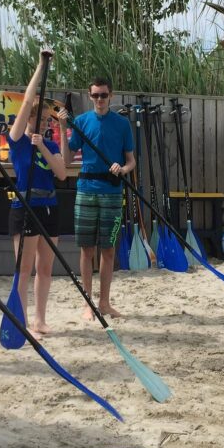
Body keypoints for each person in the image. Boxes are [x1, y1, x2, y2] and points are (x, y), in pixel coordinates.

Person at [58, 78, 135, 320]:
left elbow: (131, 161)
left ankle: (104, 302)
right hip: (86, 190)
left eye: (103, 95)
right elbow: (67, 160)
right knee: (86, 249)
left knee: (108, 249)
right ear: (89, 96)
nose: (99, 100)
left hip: (112, 191)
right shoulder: (80, 122)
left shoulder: (122, 125)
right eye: (95, 96)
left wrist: (122, 169)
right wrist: (62, 129)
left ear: (111, 96)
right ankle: (88, 303)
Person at [7, 52, 68, 336]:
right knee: (24, 268)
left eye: (48, 120)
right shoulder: (17, 140)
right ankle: (20, 319)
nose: (45, 123)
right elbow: (28, 100)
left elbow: (62, 173)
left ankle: (40, 319)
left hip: (50, 205)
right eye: (40, 119)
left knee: (45, 267)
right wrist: (42, 67)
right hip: (25, 205)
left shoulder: (50, 144)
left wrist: (43, 144)